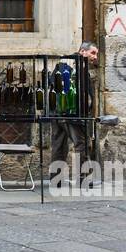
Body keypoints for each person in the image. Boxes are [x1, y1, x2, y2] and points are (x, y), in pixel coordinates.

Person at [49, 40, 99, 187]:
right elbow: (57, 83)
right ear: (82, 51)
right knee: (80, 145)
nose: (95, 57)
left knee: (59, 145)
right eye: (93, 53)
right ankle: (83, 179)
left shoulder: (70, 63)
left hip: (60, 112)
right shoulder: (71, 64)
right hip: (71, 113)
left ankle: (56, 179)